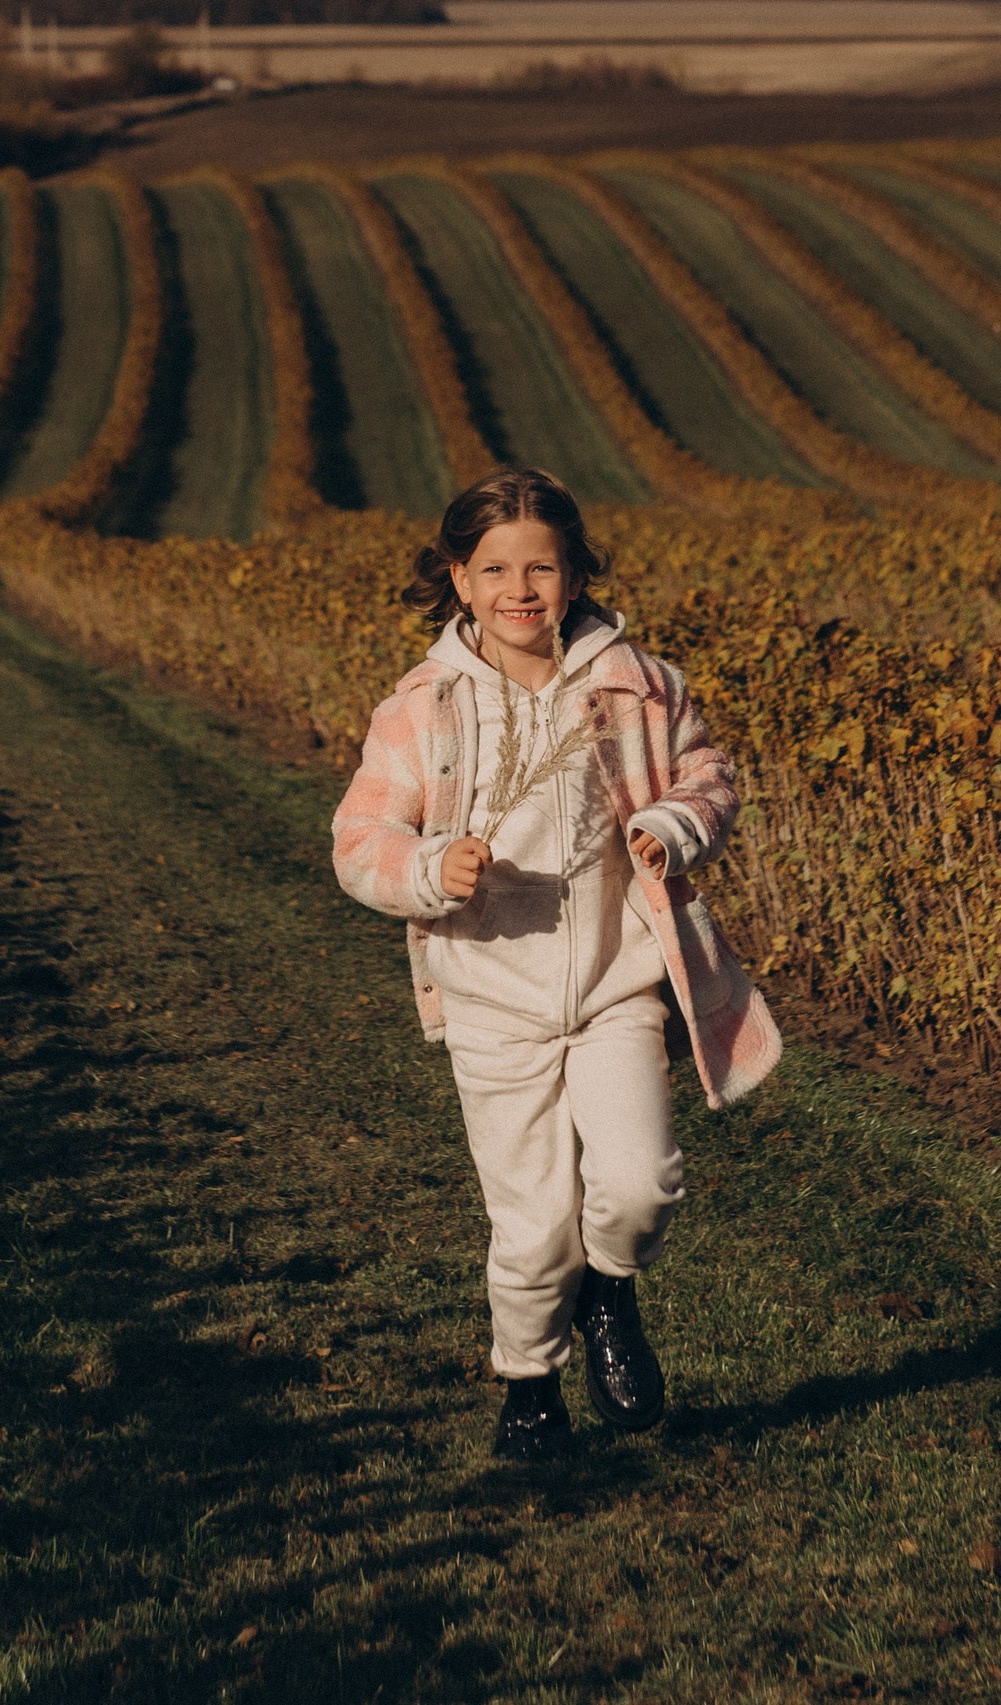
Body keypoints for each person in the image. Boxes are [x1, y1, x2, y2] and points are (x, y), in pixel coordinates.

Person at [332, 466, 781, 1463]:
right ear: (458, 577)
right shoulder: (421, 708)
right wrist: (423, 867)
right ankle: (527, 1389)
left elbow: (710, 776)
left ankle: (609, 1291)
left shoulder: (636, 685)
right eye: (494, 568)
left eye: (542, 565)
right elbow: (358, 837)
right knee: (531, 1222)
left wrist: (671, 825)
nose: (519, 588)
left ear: (576, 575)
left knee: (641, 1180)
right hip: (492, 998)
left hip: (616, 983)